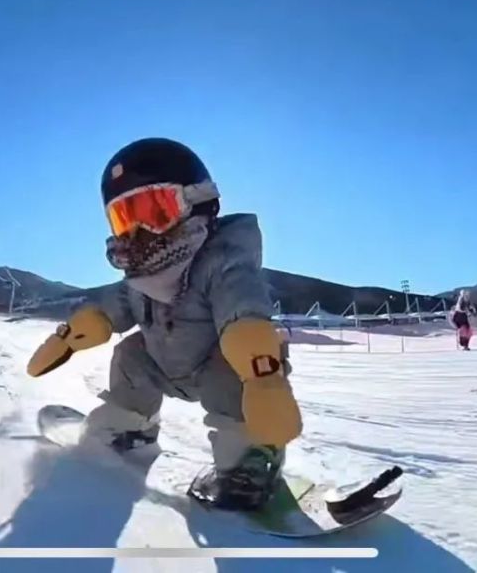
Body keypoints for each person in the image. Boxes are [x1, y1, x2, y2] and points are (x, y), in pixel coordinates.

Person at [26, 137, 303, 510]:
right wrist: (70, 336)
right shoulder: (140, 278)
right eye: (127, 218)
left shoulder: (221, 262)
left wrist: (264, 375)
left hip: (220, 366)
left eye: (155, 211)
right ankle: (129, 429)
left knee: (231, 366)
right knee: (130, 354)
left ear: (196, 201)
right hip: (164, 363)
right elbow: (111, 307)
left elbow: (242, 309)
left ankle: (250, 459)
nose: (142, 232)